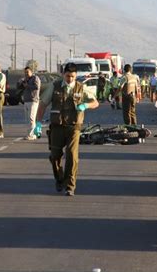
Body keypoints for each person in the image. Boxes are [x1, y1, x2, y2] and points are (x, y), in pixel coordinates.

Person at [36, 63, 99, 196]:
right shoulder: (55, 86)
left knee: (72, 156)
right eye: (68, 76)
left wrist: (86, 105)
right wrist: (37, 123)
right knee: (55, 157)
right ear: (63, 74)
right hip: (57, 127)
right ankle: (59, 179)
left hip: (74, 127)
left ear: (76, 76)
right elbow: (42, 105)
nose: (70, 79)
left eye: (73, 76)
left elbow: (96, 102)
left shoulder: (81, 88)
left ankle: (70, 186)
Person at [18, 66, 41, 140]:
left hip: (33, 101)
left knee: (31, 118)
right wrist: (21, 82)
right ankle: (29, 134)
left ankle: (31, 135)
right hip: (26, 101)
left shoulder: (35, 78)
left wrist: (27, 85)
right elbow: (20, 87)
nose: (26, 74)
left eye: (27, 72)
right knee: (27, 119)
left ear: (31, 72)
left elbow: (37, 87)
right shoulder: (26, 79)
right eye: (25, 72)